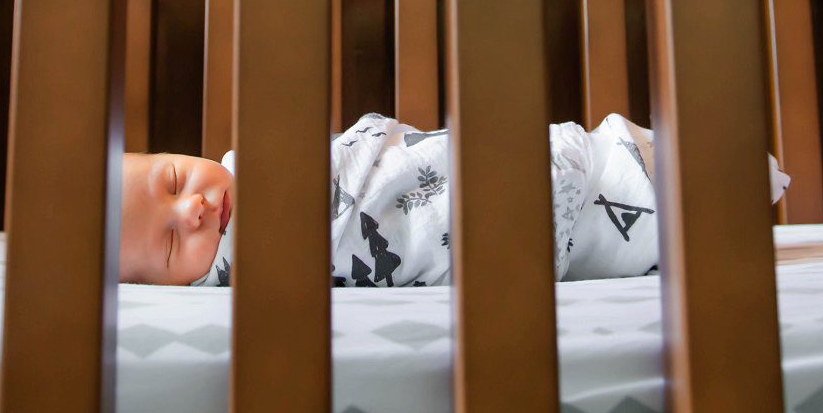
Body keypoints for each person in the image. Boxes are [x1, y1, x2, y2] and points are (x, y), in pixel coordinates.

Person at [118, 113, 789, 288]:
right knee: (663, 241)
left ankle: (732, 171)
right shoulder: (236, 282)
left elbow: (375, 149)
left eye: (176, 181)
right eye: (174, 242)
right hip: (576, 239)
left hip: (551, 177)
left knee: (656, 179)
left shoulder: (273, 170)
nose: (197, 210)